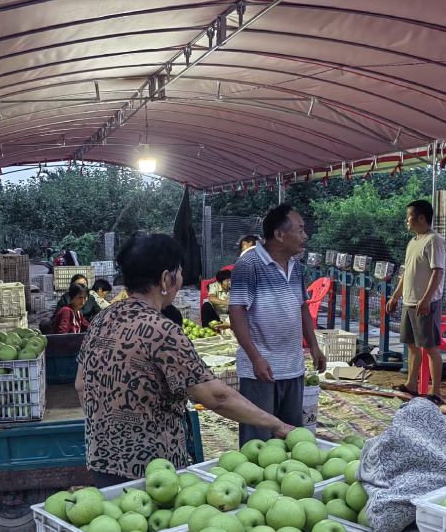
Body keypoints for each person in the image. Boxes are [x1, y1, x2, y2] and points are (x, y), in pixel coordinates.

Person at [75, 232, 295, 484]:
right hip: (153, 472)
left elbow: (81, 385)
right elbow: (217, 397)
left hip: (101, 461)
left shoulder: (102, 319)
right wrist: (277, 425)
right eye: (179, 272)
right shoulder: (162, 331)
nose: (180, 279)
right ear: (165, 278)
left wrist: (110, 429)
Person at [229, 205, 327, 445]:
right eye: (300, 229)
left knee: (291, 438)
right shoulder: (248, 264)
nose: (305, 236)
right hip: (261, 371)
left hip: (293, 367)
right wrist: (256, 358)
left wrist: (314, 346)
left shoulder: (296, 267)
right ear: (280, 235)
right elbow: (236, 312)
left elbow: (302, 306)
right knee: (258, 442)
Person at [386, 198, 446, 403]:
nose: (406, 220)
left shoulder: (434, 240)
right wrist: (396, 296)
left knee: (430, 348)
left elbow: (437, 272)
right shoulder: (413, 242)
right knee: (411, 345)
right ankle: (412, 385)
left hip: (425, 303)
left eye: (409, 216)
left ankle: (436, 392)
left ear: (421, 217)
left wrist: (427, 299)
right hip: (409, 301)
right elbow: (406, 273)